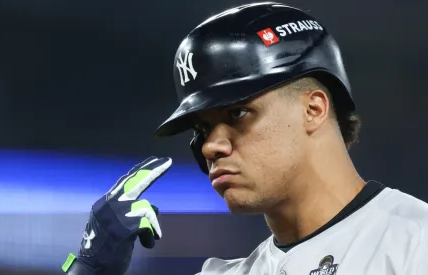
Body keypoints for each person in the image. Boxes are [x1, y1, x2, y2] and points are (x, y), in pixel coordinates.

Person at [62, 2, 428, 275]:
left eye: (237, 113)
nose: (209, 146)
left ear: (313, 110)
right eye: (201, 130)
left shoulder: (415, 243)